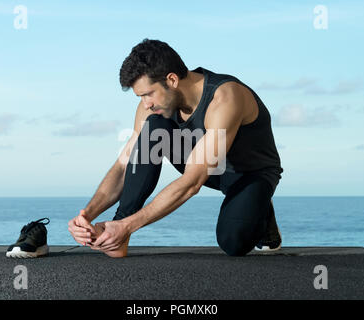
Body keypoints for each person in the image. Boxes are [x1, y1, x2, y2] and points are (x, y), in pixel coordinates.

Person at [68, 39, 283, 258]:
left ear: (171, 79)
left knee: (233, 242)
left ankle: (262, 209)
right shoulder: (153, 108)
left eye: (148, 94)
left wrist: (129, 225)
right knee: (153, 126)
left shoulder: (225, 98)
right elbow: (125, 166)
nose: (145, 104)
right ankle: (117, 234)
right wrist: (87, 215)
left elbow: (192, 182)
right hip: (207, 167)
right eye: (140, 96)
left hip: (250, 174)